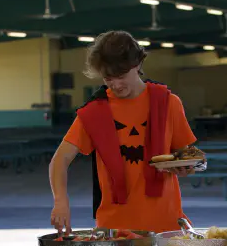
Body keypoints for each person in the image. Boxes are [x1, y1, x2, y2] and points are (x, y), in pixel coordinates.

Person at [49, 31, 197, 235]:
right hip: (114, 231)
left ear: (137, 65)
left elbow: (184, 156)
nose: (116, 85)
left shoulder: (169, 104)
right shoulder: (94, 111)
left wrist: (186, 167)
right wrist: (61, 201)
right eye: (108, 78)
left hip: (166, 228)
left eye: (121, 76)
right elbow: (60, 159)